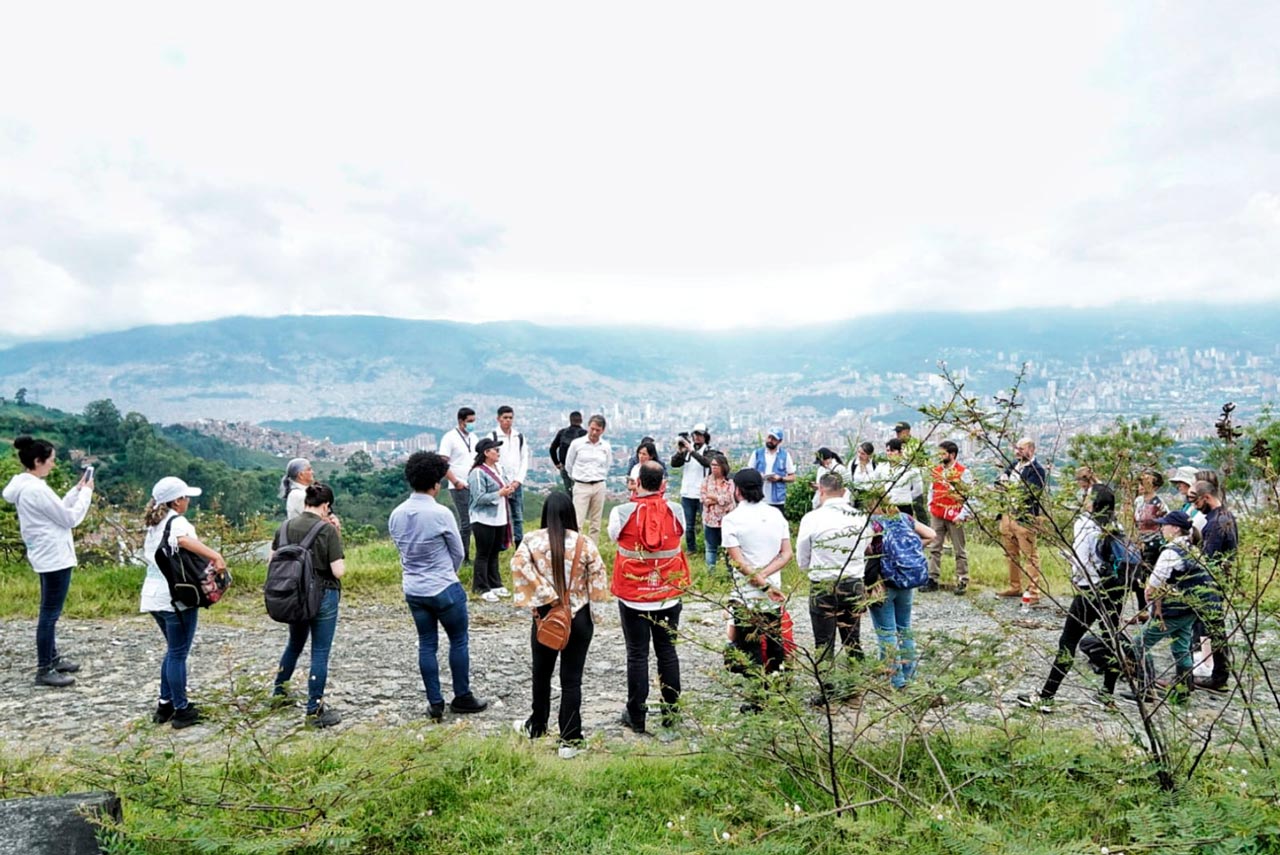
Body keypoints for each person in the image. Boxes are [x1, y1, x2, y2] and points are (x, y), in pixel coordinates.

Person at [389, 451, 489, 721]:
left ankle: (435, 701)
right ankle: (462, 696)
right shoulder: (440, 513)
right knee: (458, 640)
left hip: (414, 588)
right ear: (436, 482)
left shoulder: (396, 514)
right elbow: (458, 552)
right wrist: (448, 572)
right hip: (443, 586)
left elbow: (400, 549)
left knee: (426, 644)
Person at [511, 492, 609, 758]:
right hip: (579, 618)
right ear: (570, 513)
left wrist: (547, 597)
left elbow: (518, 566)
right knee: (571, 680)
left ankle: (537, 726)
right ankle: (570, 739)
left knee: (541, 675)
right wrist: (593, 616)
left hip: (546, 618)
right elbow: (598, 584)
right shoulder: (585, 543)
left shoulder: (531, 540)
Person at [1017, 488, 1127, 713]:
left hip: (1090, 590)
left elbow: (1081, 562)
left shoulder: (1085, 525)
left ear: (1093, 503)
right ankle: (1107, 694)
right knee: (1111, 640)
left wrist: (1074, 573)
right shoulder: (1117, 525)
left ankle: (1047, 696)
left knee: (1068, 641)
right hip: (1115, 589)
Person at [3, 436, 94, 688]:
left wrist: (76, 491)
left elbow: (57, 512)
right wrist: (86, 494)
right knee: (49, 614)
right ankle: (45, 667)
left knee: (49, 610)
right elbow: (70, 519)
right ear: (38, 461)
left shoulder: (27, 486)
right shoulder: (36, 489)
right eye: (51, 460)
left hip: (44, 553)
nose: (54, 464)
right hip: (54, 556)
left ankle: (53, 657)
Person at [608, 461, 690, 734]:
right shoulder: (676, 511)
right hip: (668, 596)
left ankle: (637, 715)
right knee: (667, 653)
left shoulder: (621, 513)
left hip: (633, 598)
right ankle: (671, 714)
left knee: (637, 655)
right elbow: (680, 537)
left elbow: (614, 539)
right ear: (663, 484)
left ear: (638, 483)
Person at [141, 476, 226, 728]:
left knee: (172, 651)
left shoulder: (154, 524)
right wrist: (215, 556)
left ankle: (165, 704)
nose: (188, 501)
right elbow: (183, 541)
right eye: (185, 497)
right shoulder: (177, 523)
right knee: (178, 653)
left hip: (153, 595)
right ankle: (181, 709)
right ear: (176, 501)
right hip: (175, 597)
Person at [271, 483, 346, 728]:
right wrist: (337, 533)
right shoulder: (326, 529)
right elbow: (338, 571)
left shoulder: (284, 526)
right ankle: (314, 709)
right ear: (326, 506)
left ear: (305, 502)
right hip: (323, 595)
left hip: (293, 596)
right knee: (320, 651)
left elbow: (273, 561)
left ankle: (279, 694)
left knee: (294, 644)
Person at [1128, 510, 1219, 705]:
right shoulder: (1193, 548)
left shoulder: (1171, 552)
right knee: (1181, 648)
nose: (1161, 529)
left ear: (1175, 528)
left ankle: (1146, 689)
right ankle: (1183, 694)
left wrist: (1152, 607)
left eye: (1164, 525)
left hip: (1173, 610)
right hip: (1191, 609)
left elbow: (1153, 584)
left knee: (1138, 645)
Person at [722, 469, 792, 710]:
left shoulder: (731, 519)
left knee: (748, 647)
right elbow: (786, 554)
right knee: (774, 642)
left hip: (746, 595)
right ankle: (778, 693)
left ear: (737, 490)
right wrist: (768, 579)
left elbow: (739, 563)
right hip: (773, 592)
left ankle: (756, 699)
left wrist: (759, 579)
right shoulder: (776, 515)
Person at [797, 472, 869, 669]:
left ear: (821, 490)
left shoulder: (812, 519)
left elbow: (802, 556)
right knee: (853, 639)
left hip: (823, 583)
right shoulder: (860, 517)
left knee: (823, 642)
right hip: (853, 581)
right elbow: (866, 545)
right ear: (844, 491)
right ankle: (855, 684)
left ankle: (827, 690)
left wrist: (811, 566)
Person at [864, 506, 935, 690]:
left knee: (887, 632)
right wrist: (908, 554)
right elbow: (931, 534)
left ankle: (896, 680)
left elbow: (864, 548)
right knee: (904, 628)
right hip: (906, 579)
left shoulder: (872, 522)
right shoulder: (905, 518)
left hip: (882, 583)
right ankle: (909, 675)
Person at [1189, 479, 1236, 692]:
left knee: (1213, 628)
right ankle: (1215, 673)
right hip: (1217, 580)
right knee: (1207, 627)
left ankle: (1218, 676)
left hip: (1211, 582)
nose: (1194, 506)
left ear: (1206, 497)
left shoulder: (1217, 523)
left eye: (1195, 501)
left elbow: (1210, 557)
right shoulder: (1225, 517)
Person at [996, 437, 1048, 604]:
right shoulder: (1014, 465)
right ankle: (1015, 586)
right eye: (1016, 448)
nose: (1017, 451)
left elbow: (1030, 493)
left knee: (1030, 555)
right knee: (1011, 553)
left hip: (1024, 517)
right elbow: (999, 480)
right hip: (1008, 514)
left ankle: (1033, 592)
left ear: (1031, 450)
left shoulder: (1037, 470)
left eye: (1021, 448)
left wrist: (1008, 487)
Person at [468, 437, 515, 602]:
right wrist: (499, 494)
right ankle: (481, 586)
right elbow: (478, 497)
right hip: (483, 518)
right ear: (486, 453)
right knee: (483, 553)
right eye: (495, 450)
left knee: (494, 552)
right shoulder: (478, 472)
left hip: (499, 517)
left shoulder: (498, 469)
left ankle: (495, 583)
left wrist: (508, 490)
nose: (498, 452)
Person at [925, 441, 972, 595]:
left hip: (955, 515)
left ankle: (962, 579)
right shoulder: (937, 471)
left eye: (943, 453)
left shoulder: (963, 472)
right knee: (935, 547)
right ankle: (932, 578)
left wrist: (963, 514)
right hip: (937, 513)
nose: (940, 456)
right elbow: (932, 490)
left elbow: (969, 496)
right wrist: (930, 505)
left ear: (952, 455)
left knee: (959, 549)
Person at [437, 407, 478, 563]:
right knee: (465, 523)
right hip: (459, 485)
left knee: (475, 522)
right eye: (469, 422)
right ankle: (463, 556)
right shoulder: (450, 438)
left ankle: (469, 554)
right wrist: (455, 481)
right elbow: (443, 463)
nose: (472, 425)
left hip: (473, 484)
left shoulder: (473, 437)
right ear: (461, 421)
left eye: (473, 421)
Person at [489, 405, 531, 547]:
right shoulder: (493, 436)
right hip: (500, 483)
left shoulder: (518, 437)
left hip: (516, 483)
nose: (508, 421)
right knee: (500, 515)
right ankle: (501, 543)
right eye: (505, 418)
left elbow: (524, 459)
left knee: (518, 516)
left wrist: (517, 481)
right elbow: (490, 460)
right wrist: (503, 481)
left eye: (510, 418)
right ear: (498, 419)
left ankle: (519, 544)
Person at [565, 414, 611, 543]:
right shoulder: (577, 444)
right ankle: (576, 549)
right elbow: (569, 464)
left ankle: (592, 551)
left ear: (603, 430)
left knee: (595, 523)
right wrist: (577, 477)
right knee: (578, 521)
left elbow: (607, 464)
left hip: (599, 484)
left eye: (598, 430)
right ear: (588, 427)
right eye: (592, 429)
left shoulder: (605, 446)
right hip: (581, 485)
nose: (594, 432)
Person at [670, 424, 713, 554]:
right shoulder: (687, 451)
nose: (697, 438)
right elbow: (674, 464)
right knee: (689, 525)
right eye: (695, 435)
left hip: (702, 493)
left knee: (707, 524)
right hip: (687, 493)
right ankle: (691, 549)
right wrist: (680, 452)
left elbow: (707, 462)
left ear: (705, 436)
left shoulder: (708, 451)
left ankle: (709, 548)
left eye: (700, 435)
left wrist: (692, 451)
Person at [1132, 469, 1169, 611]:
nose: (1141, 486)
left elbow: (1164, 524)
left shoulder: (1160, 504)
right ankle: (1143, 608)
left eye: (1145, 483)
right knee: (1137, 578)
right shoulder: (1138, 501)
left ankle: (1156, 608)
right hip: (1139, 543)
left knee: (1151, 576)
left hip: (1153, 543)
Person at [700, 452, 736, 569]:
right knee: (711, 548)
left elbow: (729, 498)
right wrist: (719, 499)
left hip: (726, 520)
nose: (714, 468)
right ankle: (711, 573)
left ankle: (730, 572)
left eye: (717, 465)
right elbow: (704, 498)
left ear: (723, 467)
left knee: (728, 548)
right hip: (710, 520)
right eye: (712, 465)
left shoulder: (729, 482)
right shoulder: (706, 481)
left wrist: (714, 498)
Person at [751, 428, 796, 512]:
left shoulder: (785, 456)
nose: (770, 440)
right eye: (769, 437)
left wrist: (780, 478)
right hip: (759, 498)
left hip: (777, 500)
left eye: (774, 439)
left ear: (779, 441)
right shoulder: (757, 454)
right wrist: (758, 476)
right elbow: (748, 473)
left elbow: (792, 477)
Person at [893, 422, 930, 522]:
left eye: (900, 432)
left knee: (918, 507)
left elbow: (923, 461)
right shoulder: (896, 444)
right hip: (900, 481)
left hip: (914, 479)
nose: (897, 435)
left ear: (907, 431)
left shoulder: (916, 444)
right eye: (897, 432)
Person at [884, 438, 924, 517]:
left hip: (904, 507)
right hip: (888, 507)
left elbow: (918, 489)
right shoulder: (883, 467)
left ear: (900, 452)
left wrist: (906, 497)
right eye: (888, 451)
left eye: (892, 451)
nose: (889, 453)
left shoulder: (910, 469)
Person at [549, 412, 587, 494]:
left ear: (570, 420)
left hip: (564, 466)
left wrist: (557, 463)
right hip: (579, 468)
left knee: (568, 490)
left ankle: (569, 505)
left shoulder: (562, 432)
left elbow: (552, 449)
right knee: (579, 492)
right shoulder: (585, 434)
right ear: (581, 420)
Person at [849, 442, 885, 510]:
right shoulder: (853, 464)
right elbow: (849, 481)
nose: (859, 455)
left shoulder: (875, 465)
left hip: (871, 498)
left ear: (869, 455)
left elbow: (879, 483)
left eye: (863, 454)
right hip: (857, 497)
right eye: (858, 452)